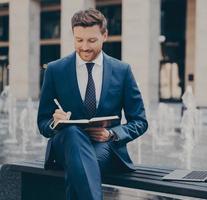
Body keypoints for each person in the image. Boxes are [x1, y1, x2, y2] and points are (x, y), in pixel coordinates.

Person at [37, 8, 148, 200]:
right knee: (72, 133)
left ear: (104, 35)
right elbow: (43, 123)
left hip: (104, 146)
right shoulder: (55, 70)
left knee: (80, 169)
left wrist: (112, 133)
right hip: (64, 144)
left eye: (91, 40)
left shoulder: (122, 71)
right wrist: (55, 122)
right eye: (79, 40)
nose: (85, 47)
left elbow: (140, 121)